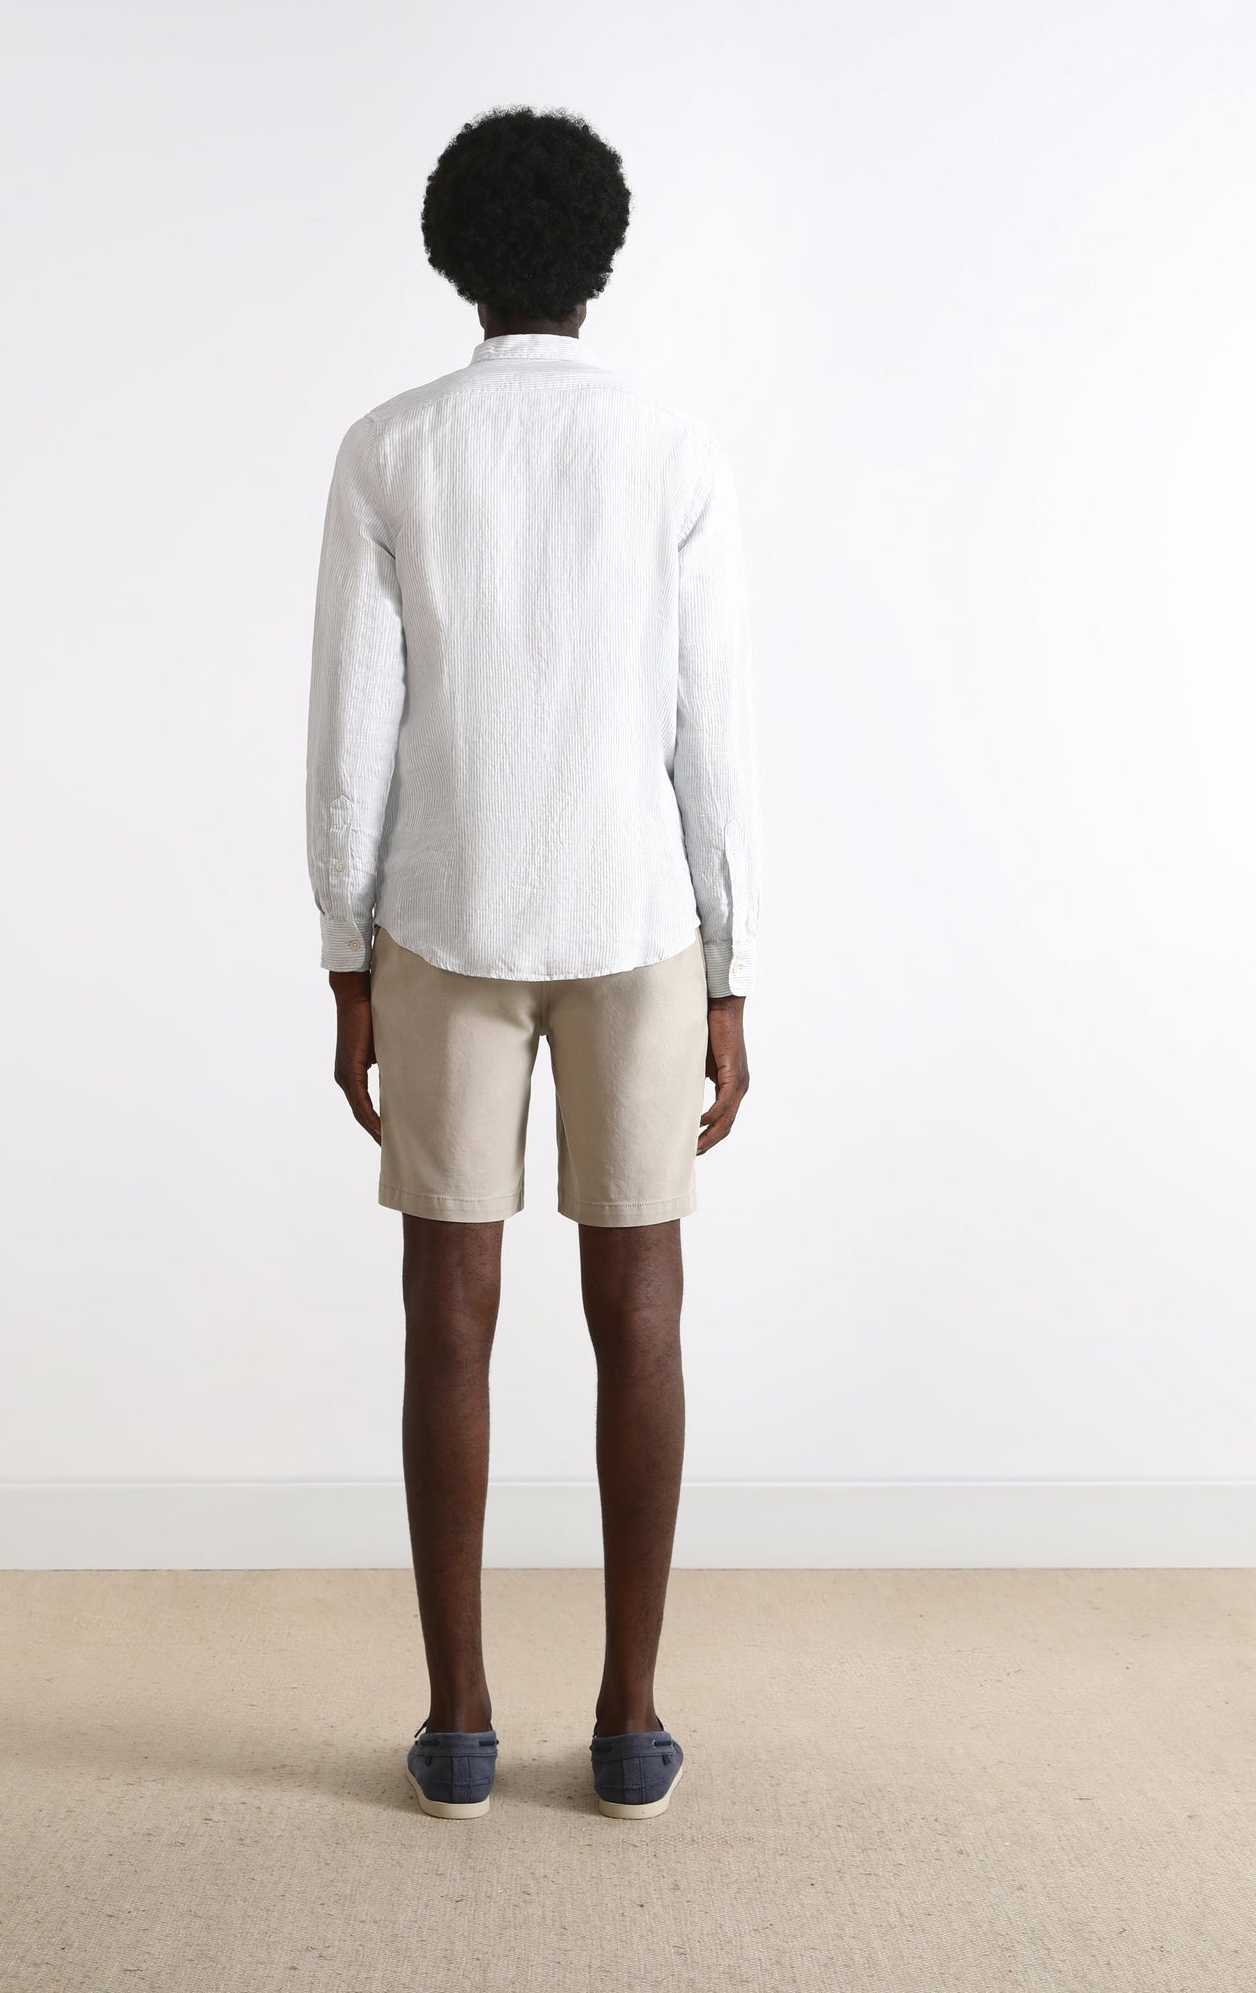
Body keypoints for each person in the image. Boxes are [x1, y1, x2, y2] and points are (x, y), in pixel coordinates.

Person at [305, 105, 760, 1821]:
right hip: (636, 919)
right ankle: (630, 1723)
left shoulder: (391, 448)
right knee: (640, 1309)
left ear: (455, 257)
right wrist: (730, 969)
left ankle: (460, 1726)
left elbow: (353, 731)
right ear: (601, 255)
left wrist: (344, 951)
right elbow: (714, 731)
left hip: (441, 915)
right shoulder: (672, 446)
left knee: (447, 1311)